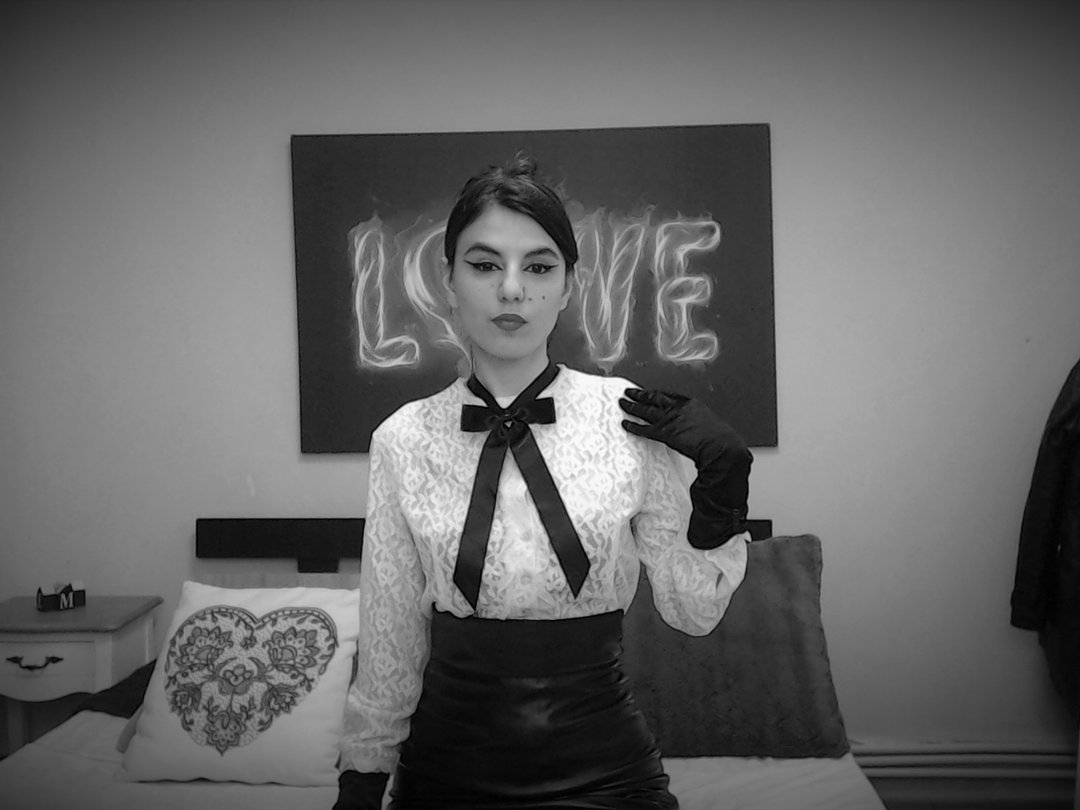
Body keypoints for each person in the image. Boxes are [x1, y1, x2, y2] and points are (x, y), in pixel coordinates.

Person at [336, 155, 753, 810]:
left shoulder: (629, 420)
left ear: (567, 286)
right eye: (484, 265)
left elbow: (693, 610)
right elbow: (391, 648)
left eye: (538, 267)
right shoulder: (402, 439)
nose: (511, 290)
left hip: (609, 776)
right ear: (448, 281)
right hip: (445, 775)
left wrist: (724, 478)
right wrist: (361, 786)